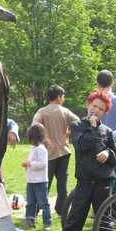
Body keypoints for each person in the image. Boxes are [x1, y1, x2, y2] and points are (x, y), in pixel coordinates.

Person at [48, 91, 116, 231]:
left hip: (103, 181)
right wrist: (94, 129)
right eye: (94, 106)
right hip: (84, 181)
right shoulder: (76, 125)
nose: (96, 110)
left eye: (101, 109)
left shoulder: (108, 131)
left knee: (103, 218)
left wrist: (107, 153)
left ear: (105, 112)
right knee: (75, 217)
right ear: (88, 105)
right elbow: (82, 145)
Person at [32, 85, 79, 216]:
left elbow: (35, 124)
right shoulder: (65, 111)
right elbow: (78, 121)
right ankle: (61, 210)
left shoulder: (42, 111)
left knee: (44, 183)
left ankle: (35, 211)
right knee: (62, 184)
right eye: (63, 96)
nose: (63, 98)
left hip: (48, 153)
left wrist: (44, 137)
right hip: (64, 151)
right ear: (58, 97)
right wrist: (69, 130)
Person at [22, 123, 51, 230]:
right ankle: (30, 220)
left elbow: (43, 164)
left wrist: (30, 164)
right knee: (30, 202)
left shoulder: (41, 149)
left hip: (40, 181)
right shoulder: (34, 148)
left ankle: (47, 222)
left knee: (43, 203)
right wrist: (28, 165)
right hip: (31, 181)